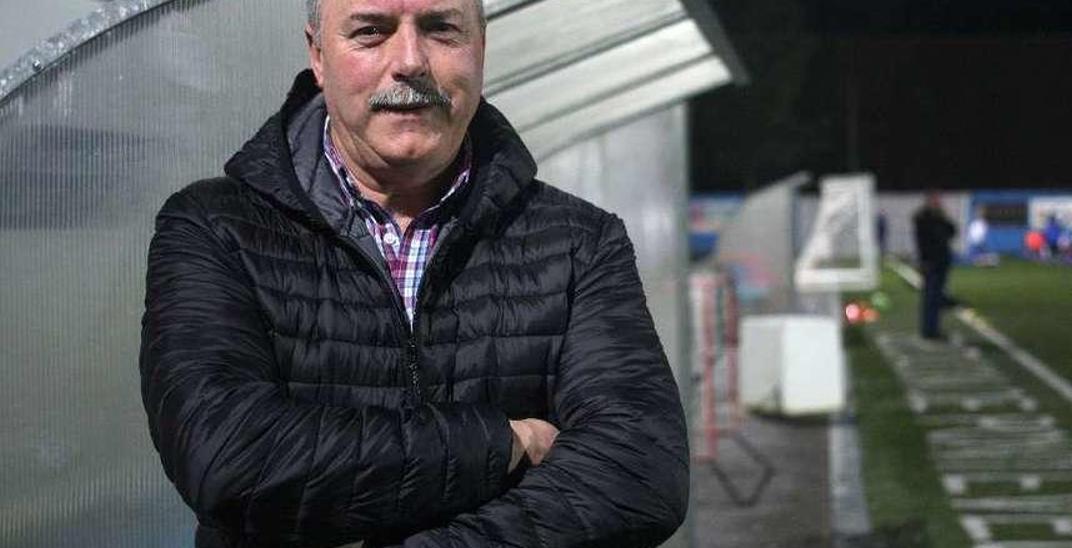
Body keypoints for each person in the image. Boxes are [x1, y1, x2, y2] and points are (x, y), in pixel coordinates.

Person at [138, 0, 688, 546]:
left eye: (441, 28)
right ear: (318, 55)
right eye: (371, 31)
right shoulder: (218, 227)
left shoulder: (576, 241)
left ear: (481, 48)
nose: (409, 61)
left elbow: (639, 471)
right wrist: (500, 444)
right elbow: (227, 456)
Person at [913, 192, 957, 339]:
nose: (938, 202)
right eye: (935, 200)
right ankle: (929, 330)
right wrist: (923, 261)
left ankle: (932, 328)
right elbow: (923, 241)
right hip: (931, 262)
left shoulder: (939, 218)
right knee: (931, 297)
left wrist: (943, 217)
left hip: (941, 261)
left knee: (935, 296)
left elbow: (952, 231)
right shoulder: (923, 218)